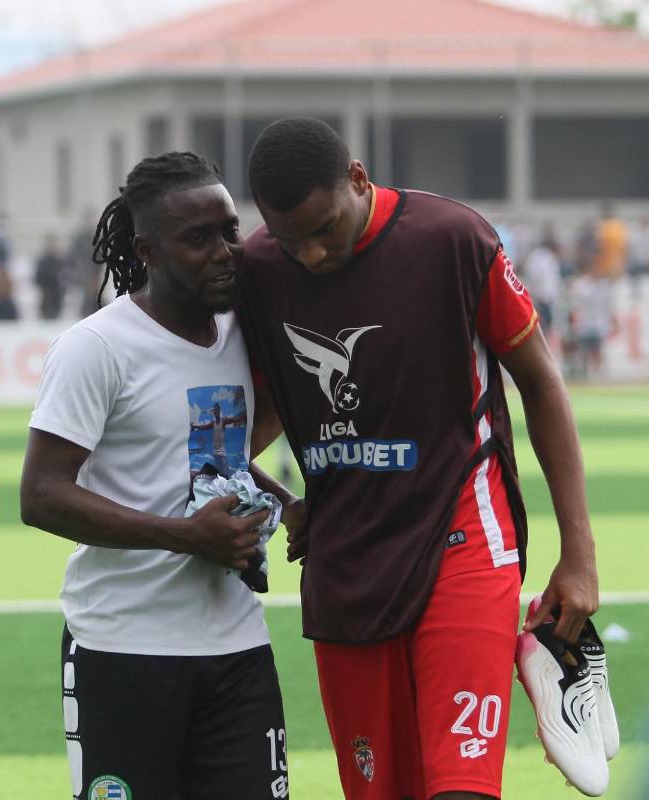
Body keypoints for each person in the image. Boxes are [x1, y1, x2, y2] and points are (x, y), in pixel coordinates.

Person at [237, 117, 599, 800]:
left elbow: (541, 382)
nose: (310, 256)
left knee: (460, 788)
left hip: (463, 537)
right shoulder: (260, 267)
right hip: (347, 564)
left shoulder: (452, 240)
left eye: (322, 230)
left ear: (357, 179)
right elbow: (263, 410)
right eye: (290, 240)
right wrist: (281, 502)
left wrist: (578, 552)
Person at [19, 153, 296, 800]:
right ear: (146, 250)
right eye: (199, 239)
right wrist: (186, 536)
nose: (227, 251)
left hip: (237, 647)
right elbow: (42, 496)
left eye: (230, 230)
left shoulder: (241, 335)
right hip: (123, 650)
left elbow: (208, 454)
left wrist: (286, 503)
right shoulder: (97, 348)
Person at [522, 226, 562, 338]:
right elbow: (535, 277)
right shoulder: (538, 257)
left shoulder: (548, 257)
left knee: (547, 327)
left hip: (547, 298)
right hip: (541, 297)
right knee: (541, 327)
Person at [34, 234, 69, 320]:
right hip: (46, 299)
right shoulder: (42, 262)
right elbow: (38, 279)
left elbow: (65, 279)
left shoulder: (60, 262)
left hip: (57, 298)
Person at [593, 202, 628, 280]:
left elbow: (623, 248)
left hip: (613, 265)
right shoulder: (600, 225)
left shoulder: (617, 226)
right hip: (603, 266)